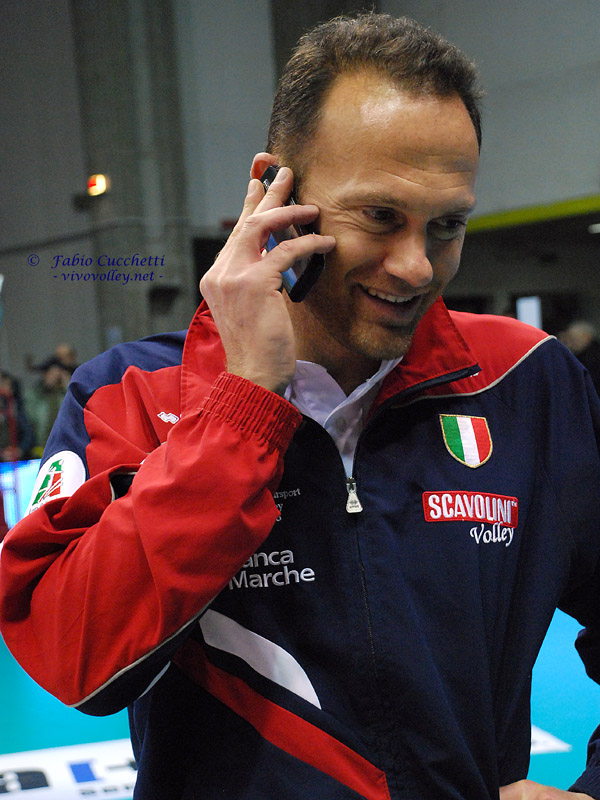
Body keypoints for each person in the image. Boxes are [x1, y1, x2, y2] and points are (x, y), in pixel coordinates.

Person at [0, 13, 599, 800]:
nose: (417, 267)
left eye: (447, 225)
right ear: (274, 191)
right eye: (379, 217)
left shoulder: (524, 380)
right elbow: (74, 660)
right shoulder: (132, 393)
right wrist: (244, 408)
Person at [25, 356, 73, 458]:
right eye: (49, 373)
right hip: (40, 447)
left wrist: (67, 387)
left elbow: (73, 412)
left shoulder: (64, 394)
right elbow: (31, 419)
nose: (52, 377)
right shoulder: (34, 394)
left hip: (64, 447)